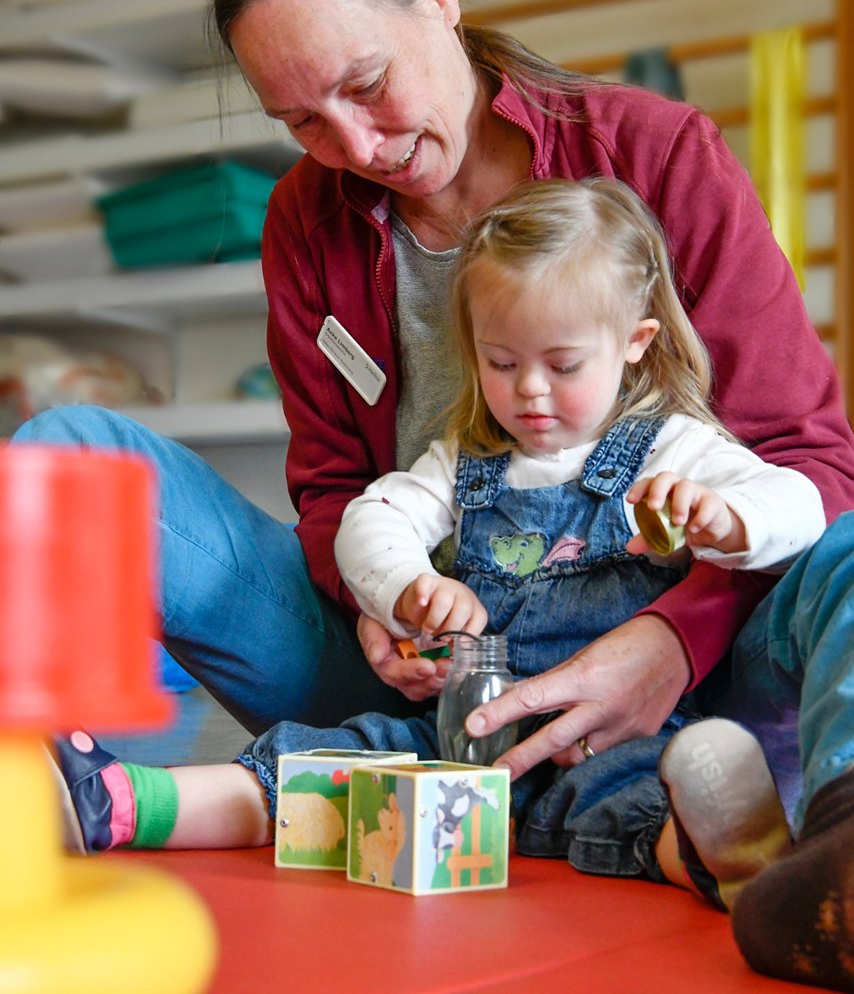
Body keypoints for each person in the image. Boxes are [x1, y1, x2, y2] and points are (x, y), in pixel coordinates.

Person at [15, 0, 854, 801]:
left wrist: (669, 643)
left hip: (683, 686)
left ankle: (831, 847)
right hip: (422, 690)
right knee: (67, 455)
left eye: (368, 84)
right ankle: (47, 804)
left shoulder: (656, 156)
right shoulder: (307, 217)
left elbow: (808, 462)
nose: (359, 148)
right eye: (301, 122)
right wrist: (378, 599)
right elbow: (334, 489)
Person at [53, 175, 823, 881]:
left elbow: (800, 505)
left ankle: (737, 863)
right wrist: (408, 589)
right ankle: (121, 803)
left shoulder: (673, 445)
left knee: (642, 805)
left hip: (609, 744)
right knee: (326, 765)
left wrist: (727, 519)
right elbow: (372, 519)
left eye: (562, 365)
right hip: (457, 741)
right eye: (501, 362)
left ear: (635, 344)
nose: (529, 391)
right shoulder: (467, 461)